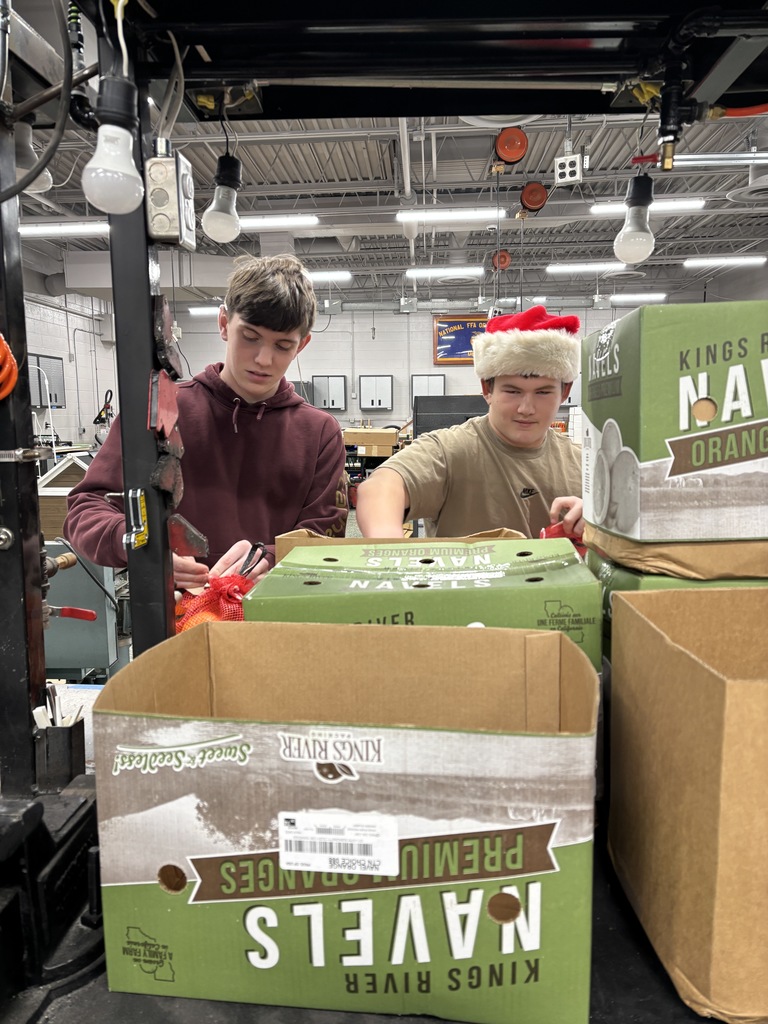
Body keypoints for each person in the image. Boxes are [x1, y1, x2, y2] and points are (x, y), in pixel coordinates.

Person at [64, 253, 348, 589]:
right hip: (177, 619)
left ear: (302, 345)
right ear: (225, 324)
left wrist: (271, 557)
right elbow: (86, 509)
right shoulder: (161, 412)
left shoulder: (319, 433)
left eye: (283, 346)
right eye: (251, 337)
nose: (263, 359)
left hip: (275, 621)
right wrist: (143, 546)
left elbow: (324, 534)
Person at [355, 305, 583, 540]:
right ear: (487, 389)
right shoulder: (449, 450)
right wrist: (389, 548)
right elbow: (380, 488)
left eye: (543, 393)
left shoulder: (582, 465)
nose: (526, 408)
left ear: (565, 391)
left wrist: (601, 520)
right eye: (513, 392)